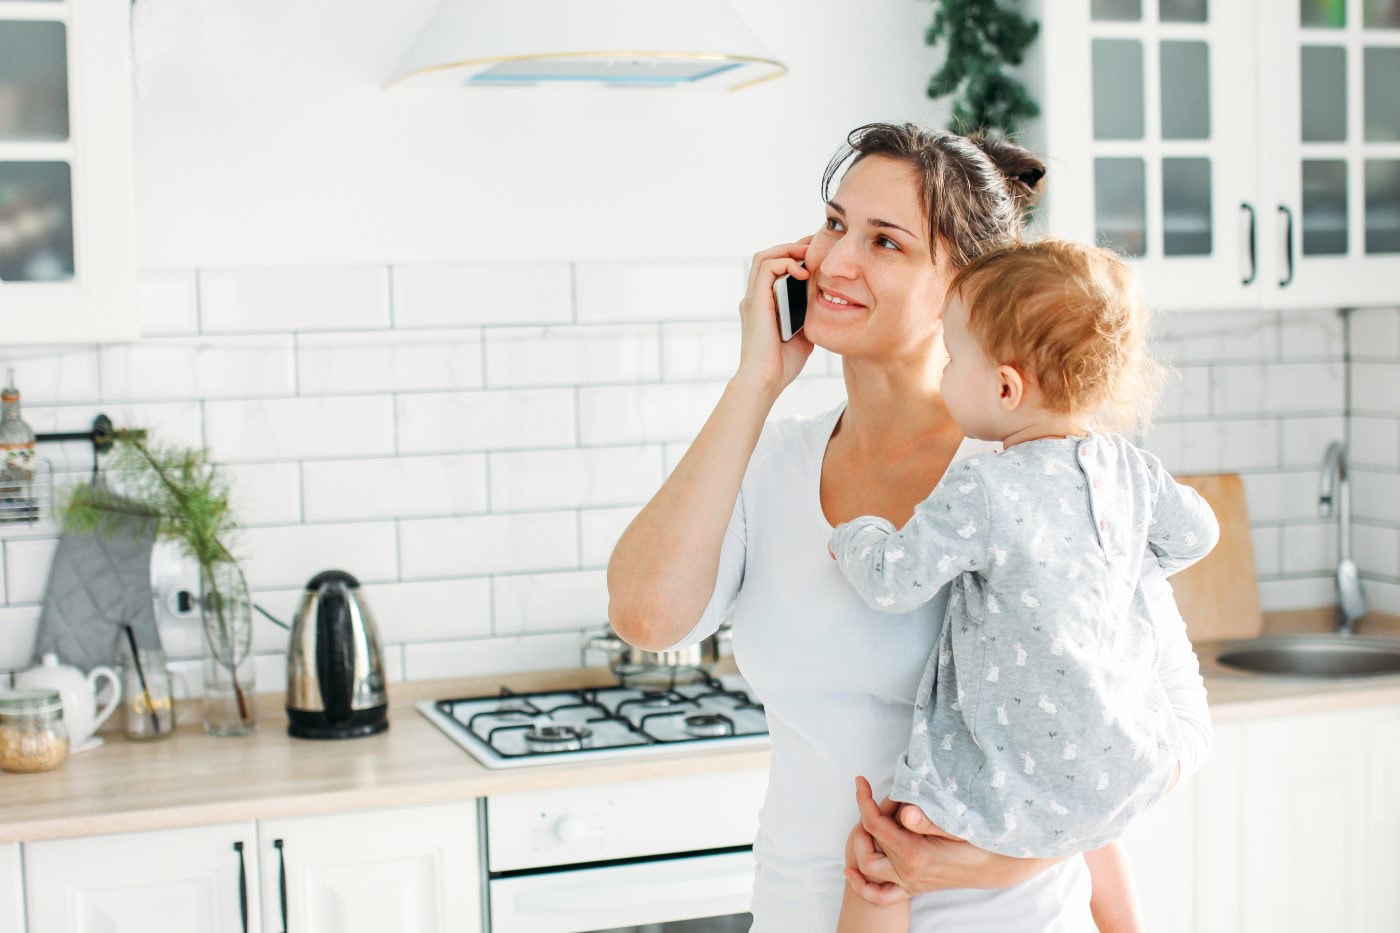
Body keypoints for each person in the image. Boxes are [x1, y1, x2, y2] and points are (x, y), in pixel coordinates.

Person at [606, 122, 1212, 931]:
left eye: (885, 242)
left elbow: (1166, 726)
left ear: (962, 282)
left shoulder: (1040, 468)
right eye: (833, 224)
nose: (835, 261)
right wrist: (757, 381)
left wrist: (1000, 859)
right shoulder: (770, 457)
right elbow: (649, 618)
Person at [829, 239, 1219, 932]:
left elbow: (892, 581)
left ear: (1006, 387)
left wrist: (853, 535)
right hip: (1124, 765)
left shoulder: (984, 487)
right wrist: (1113, 557)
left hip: (1006, 788)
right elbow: (1196, 535)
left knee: (888, 841)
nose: (947, 374)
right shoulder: (1130, 469)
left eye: (953, 360)